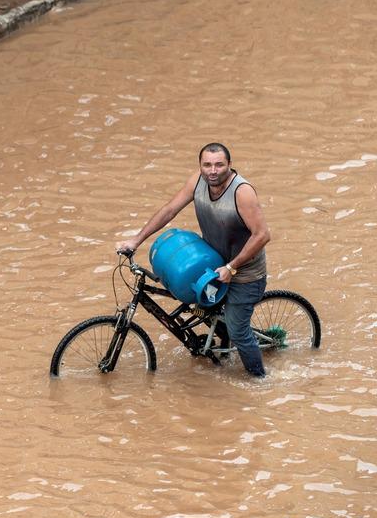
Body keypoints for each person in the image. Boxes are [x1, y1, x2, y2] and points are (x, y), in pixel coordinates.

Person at [116, 143, 271, 377]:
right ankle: (223, 348)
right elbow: (169, 210)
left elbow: (262, 235)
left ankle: (259, 379)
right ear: (200, 166)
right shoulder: (197, 181)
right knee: (200, 307)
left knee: (238, 331)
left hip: (245, 273)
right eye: (207, 165)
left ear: (229, 165)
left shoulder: (242, 192)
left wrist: (231, 267)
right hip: (212, 263)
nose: (213, 170)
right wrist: (136, 240)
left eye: (219, 165)